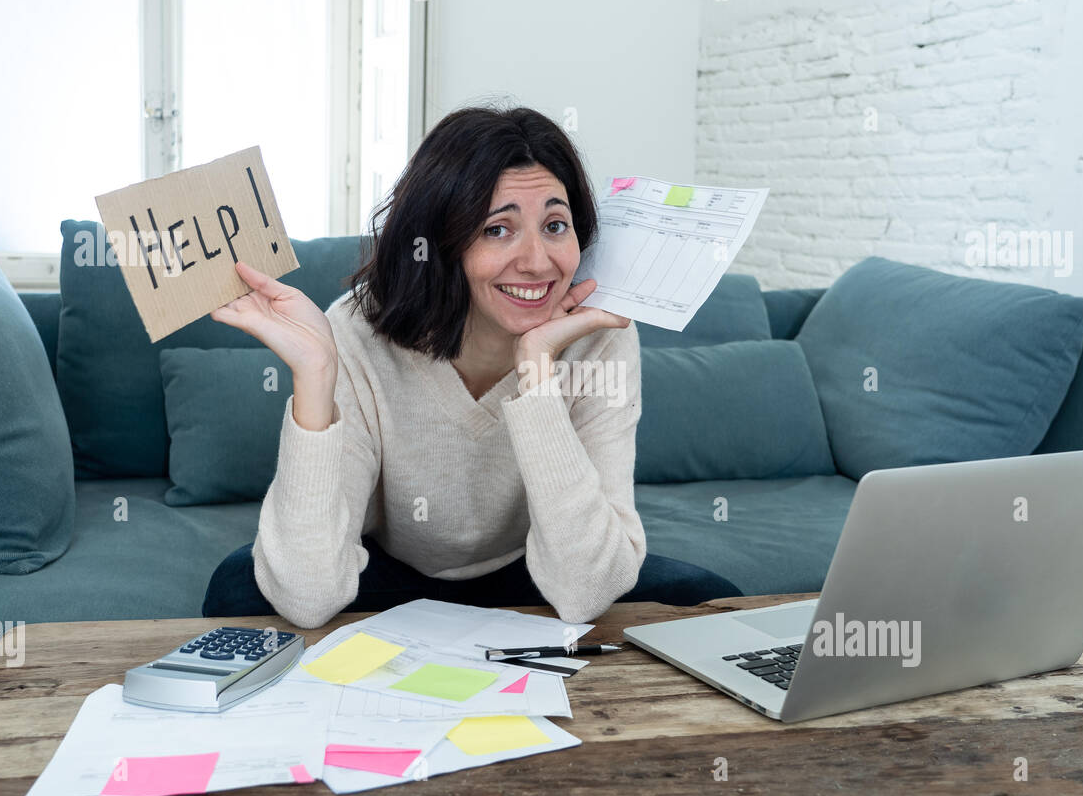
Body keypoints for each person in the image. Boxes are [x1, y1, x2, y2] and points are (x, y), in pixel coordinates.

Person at [202, 105, 742, 628]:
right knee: (239, 586)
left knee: (710, 602)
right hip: (388, 573)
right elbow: (308, 598)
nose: (537, 260)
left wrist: (536, 375)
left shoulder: (599, 337)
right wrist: (316, 379)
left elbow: (587, 589)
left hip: (537, 567)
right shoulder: (354, 331)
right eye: (497, 229)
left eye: (555, 225)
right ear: (440, 243)